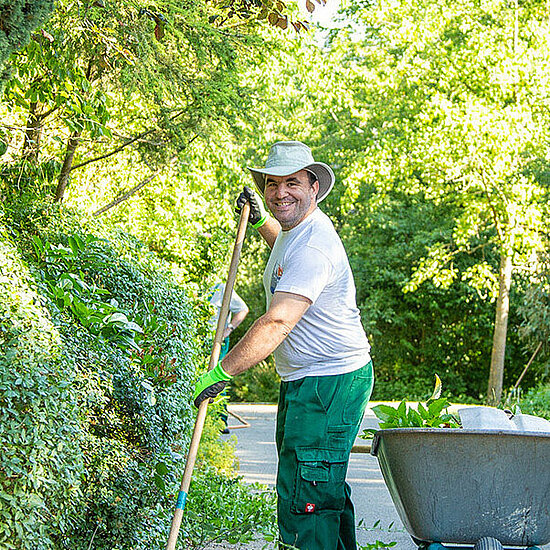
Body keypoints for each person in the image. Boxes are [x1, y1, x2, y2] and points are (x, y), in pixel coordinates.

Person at [194, 141, 373, 550]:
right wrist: (261, 224)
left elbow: (276, 322)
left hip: (328, 382)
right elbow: (284, 247)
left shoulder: (313, 246)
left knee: (305, 497)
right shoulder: (295, 232)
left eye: (292, 182)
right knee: (318, 485)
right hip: (308, 379)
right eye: (272, 184)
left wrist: (223, 372)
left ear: (314, 186)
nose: (279, 193)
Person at [207, 280, 249, 433]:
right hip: (200, 340)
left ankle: (220, 421)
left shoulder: (221, 288)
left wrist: (228, 329)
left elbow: (243, 309)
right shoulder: (192, 286)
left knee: (216, 377)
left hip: (218, 340)